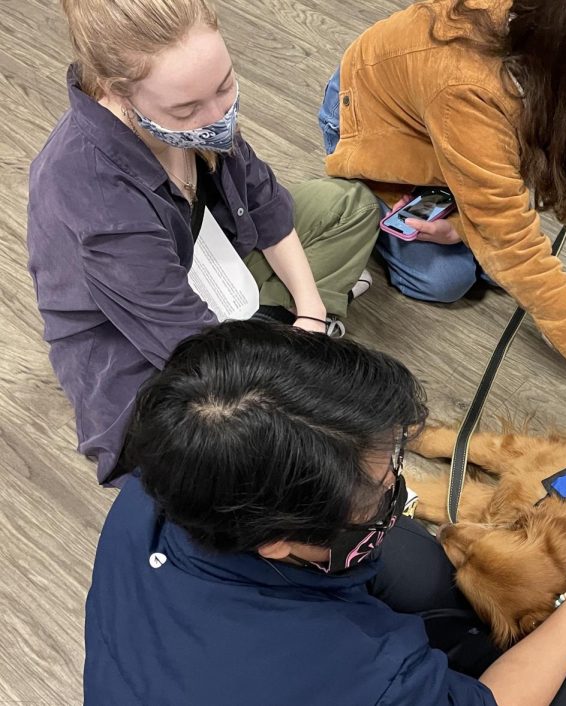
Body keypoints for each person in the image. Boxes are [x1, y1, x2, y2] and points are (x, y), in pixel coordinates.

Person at [84, 320, 566, 705]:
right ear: (280, 541)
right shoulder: (333, 670)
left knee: (408, 555)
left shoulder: (170, 474)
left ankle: (487, 654)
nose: (397, 483)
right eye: (384, 481)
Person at [318, 0, 566, 426]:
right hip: (372, 129)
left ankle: (464, 214)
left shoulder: (526, 59)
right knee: (445, 280)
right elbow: (516, 251)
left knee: (490, 262)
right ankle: (365, 209)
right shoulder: (468, 92)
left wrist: (466, 227)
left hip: (450, 135)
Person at [26, 0, 381, 485]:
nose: (218, 117)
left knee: (350, 206)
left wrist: (311, 312)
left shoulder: (196, 110)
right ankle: (276, 335)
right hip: (147, 353)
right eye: (187, 108)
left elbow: (264, 204)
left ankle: (280, 328)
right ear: (117, 93)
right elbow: (189, 347)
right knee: (259, 458)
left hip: (213, 267)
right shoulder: (96, 196)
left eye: (225, 86)